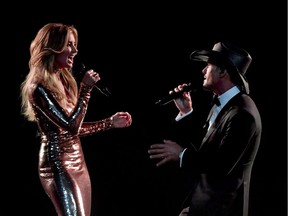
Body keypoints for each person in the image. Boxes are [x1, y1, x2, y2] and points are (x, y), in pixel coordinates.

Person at [20, 23, 132, 216]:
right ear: (54, 47)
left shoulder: (63, 80)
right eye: (69, 44)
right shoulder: (38, 86)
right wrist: (86, 90)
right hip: (58, 163)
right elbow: (71, 127)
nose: (75, 50)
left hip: (77, 159)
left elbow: (73, 128)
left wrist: (109, 122)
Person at [148, 41, 262, 216]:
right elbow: (206, 150)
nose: (203, 71)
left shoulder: (243, 114)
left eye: (208, 66)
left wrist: (181, 154)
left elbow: (220, 167)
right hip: (201, 207)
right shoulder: (225, 104)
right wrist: (187, 112)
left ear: (223, 71)